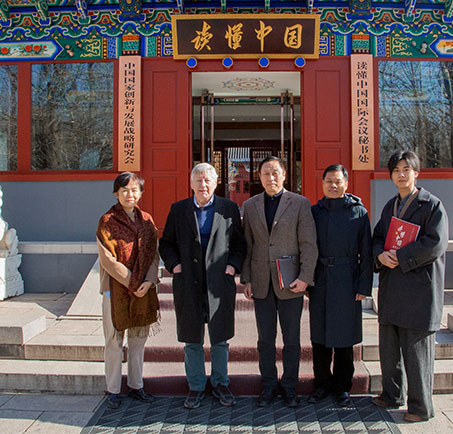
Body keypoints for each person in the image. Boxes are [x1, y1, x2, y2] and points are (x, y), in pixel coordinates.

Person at [159, 163, 246, 409]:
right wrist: (175, 265)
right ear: (191, 184)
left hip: (219, 283)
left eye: (207, 180)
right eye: (198, 180)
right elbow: (166, 244)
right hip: (188, 282)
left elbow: (239, 245)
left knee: (220, 338)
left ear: (216, 182)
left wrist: (232, 267)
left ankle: (220, 383)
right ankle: (195, 385)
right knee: (192, 338)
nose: (203, 184)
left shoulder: (228, 209)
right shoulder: (179, 210)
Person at [370, 151, 449, 422]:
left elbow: (435, 243)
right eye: (396, 170)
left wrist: (400, 257)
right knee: (389, 347)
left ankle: (420, 407)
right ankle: (391, 395)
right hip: (392, 287)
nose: (401, 174)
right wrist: (380, 254)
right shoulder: (390, 206)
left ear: (417, 172)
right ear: (390, 175)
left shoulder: (432, 205)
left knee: (417, 353)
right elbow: (378, 237)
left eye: (407, 169)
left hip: (419, 289)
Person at [241, 156, 318, 408]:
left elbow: (308, 244)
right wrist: (247, 279)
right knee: (265, 339)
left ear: (284, 175)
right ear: (259, 176)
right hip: (262, 281)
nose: (270, 178)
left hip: (290, 281)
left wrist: (305, 277)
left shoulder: (299, 203)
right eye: (265, 173)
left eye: (275, 173)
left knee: (292, 339)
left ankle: (289, 386)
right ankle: (268, 385)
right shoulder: (251, 205)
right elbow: (248, 245)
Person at [308, 164, 373, 407]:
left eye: (337, 181)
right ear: (322, 184)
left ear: (346, 184)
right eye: (328, 182)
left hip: (347, 278)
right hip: (320, 277)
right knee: (320, 335)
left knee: (345, 336)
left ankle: (343, 386)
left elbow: (366, 253)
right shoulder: (314, 212)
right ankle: (321, 384)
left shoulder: (358, 212)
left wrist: (364, 286)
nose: (333, 186)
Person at [97, 172, 161, 409]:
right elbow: (108, 261)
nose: (129, 194)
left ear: (141, 193)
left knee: (138, 339)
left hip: (143, 288)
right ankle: (113, 389)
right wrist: (133, 284)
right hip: (116, 290)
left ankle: (136, 385)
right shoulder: (107, 221)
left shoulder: (147, 220)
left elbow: (154, 253)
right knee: (114, 340)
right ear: (116, 193)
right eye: (124, 190)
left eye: (134, 190)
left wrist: (150, 281)